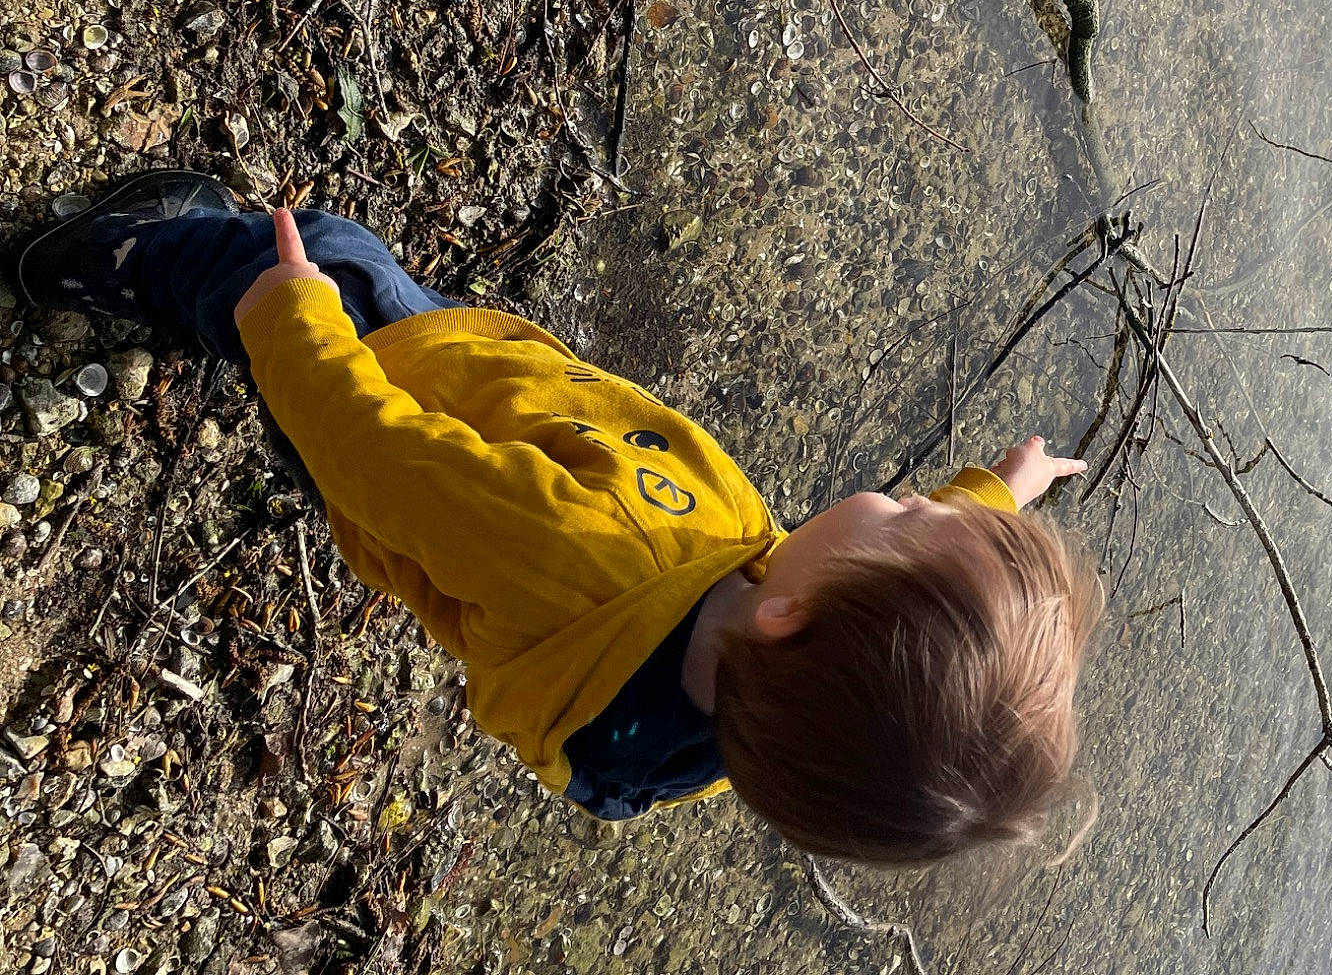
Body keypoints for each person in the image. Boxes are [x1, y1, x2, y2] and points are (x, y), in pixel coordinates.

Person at [11, 171, 1101, 858]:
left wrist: (292, 326)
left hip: (392, 392)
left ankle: (115, 262)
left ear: (790, 615)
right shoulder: (733, 729)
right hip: (481, 480)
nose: (909, 496)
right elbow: (886, 655)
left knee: (314, 257)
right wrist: (991, 496)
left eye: (910, 518)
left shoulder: (585, 554)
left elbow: (377, 457)